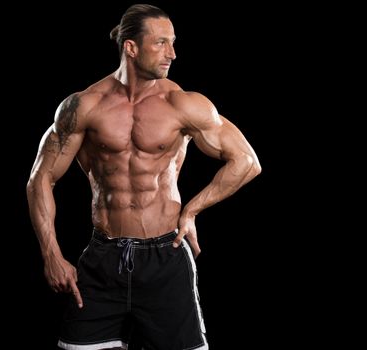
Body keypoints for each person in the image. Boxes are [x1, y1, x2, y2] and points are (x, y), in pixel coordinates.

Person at [27, 4, 261, 349]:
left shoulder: (183, 104)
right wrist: (51, 255)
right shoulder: (84, 105)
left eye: (173, 43)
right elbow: (41, 178)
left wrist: (192, 210)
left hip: (166, 256)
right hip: (103, 259)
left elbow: (246, 161)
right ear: (131, 47)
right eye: (161, 43)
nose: (173, 54)